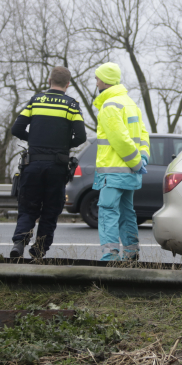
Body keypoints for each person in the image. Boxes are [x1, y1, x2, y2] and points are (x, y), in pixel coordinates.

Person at [10, 66, 87, 259]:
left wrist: (34, 140)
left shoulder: (36, 100)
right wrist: (61, 145)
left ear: (49, 80)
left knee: (28, 207)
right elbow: (81, 136)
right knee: (51, 210)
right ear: (68, 84)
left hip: (32, 164)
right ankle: (39, 249)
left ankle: (19, 243)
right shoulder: (71, 105)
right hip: (57, 167)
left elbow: (17, 129)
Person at [92, 62, 150, 261]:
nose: (96, 81)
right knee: (127, 213)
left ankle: (110, 255)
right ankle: (132, 253)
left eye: (98, 78)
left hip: (113, 171)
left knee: (108, 211)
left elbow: (120, 140)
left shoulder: (109, 106)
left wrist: (135, 161)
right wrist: (142, 158)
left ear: (105, 81)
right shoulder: (129, 103)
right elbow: (142, 134)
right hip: (130, 172)